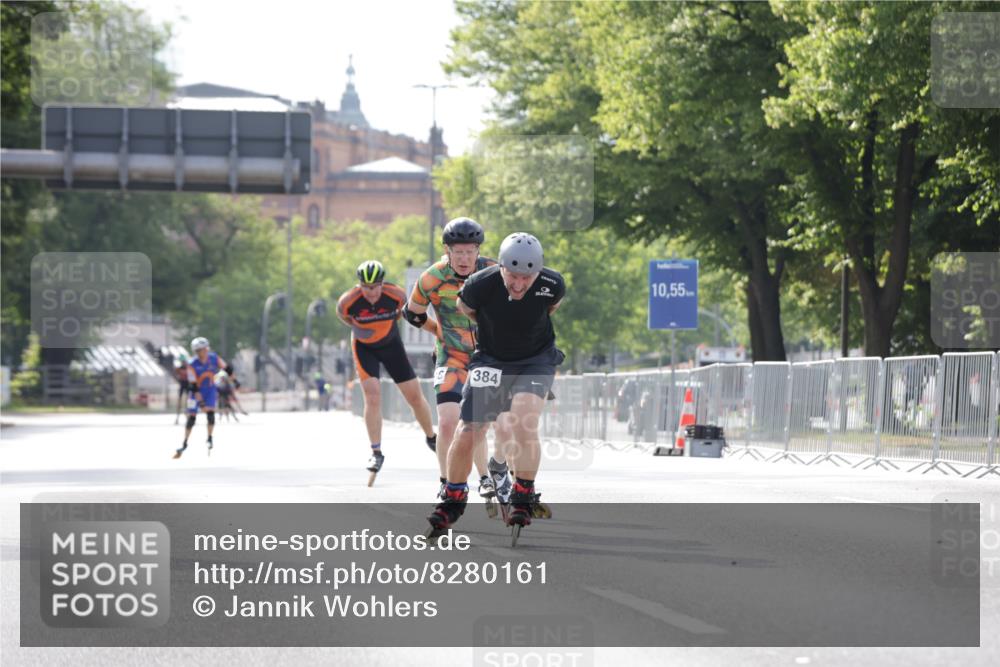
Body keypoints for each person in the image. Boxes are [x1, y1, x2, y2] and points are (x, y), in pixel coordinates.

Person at [428, 232, 565, 533]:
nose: (518, 284)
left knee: (523, 419)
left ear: (538, 272)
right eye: (512, 276)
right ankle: (453, 496)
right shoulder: (479, 285)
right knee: (470, 428)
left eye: (526, 278)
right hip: (490, 359)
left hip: (536, 359)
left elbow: (550, 308)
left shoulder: (552, 284)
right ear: (500, 266)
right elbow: (468, 310)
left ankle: (523, 493)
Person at [403, 217, 511, 500]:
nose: (464, 258)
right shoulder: (432, 277)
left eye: (470, 251)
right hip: (451, 356)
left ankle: (486, 477)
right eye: (458, 251)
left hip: (488, 357)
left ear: (479, 250)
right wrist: (437, 330)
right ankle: (445, 480)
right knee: (449, 421)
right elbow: (412, 313)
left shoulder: (495, 272)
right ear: (447, 250)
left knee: (481, 421)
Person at [337, 260, 437, 479]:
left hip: (391, 346)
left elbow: (406, 312)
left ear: (382, 284)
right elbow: (345, 318)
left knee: (414, 396)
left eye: (375, 287)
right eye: (366, 287)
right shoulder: (348, 302)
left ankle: (431, 436)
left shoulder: (397, 295)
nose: (371, 293)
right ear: (359, 285)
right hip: (364, 348)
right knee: (372, 396)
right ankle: (376, 451)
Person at [174, 337, 235, 459]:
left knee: (210, 415)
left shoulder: (214, 358)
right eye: (197, 351)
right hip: (196, 391)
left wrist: (234, 380)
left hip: (210, 389)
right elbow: (193, 385)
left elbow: (227, 368)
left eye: (202, 350)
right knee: (192, 418)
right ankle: (185, 442)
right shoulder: (192, 364)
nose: (200, 353)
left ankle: (209, 438)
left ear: (206, 349)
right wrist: (200, 402)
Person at [173, 353, 190, 425]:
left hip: (188, 385)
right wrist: (179, 379)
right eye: (182, 362)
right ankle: (177, 417)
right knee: (179, 402)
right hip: (182, 385)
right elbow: (176, 376)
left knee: (188, 402)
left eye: (184, 362)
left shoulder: (189, 368)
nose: (184, 363)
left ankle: (188, 417)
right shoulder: (179, 368)